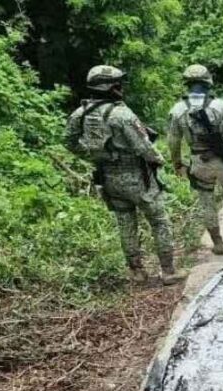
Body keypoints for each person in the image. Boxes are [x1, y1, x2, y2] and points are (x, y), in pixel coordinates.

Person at [64, 65, 184, 285]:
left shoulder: (81, 113)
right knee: (159, 221)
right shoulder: (121, 113)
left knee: (126, 223)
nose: (121, 87)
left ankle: (136, 272)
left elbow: (69, 141)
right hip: (137, 178)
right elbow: (143, 147)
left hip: (108, 178)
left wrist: (93, 155)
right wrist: (159, 160)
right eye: (118, 83)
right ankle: (168, 271)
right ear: (110, 87)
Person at [167, 64, 223, 254]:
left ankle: (217, 243)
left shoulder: (178, 110)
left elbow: (173, 140)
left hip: (199, 161)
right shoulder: (220, 106)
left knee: (206, 201)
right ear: (208, 82)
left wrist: (176, 162)